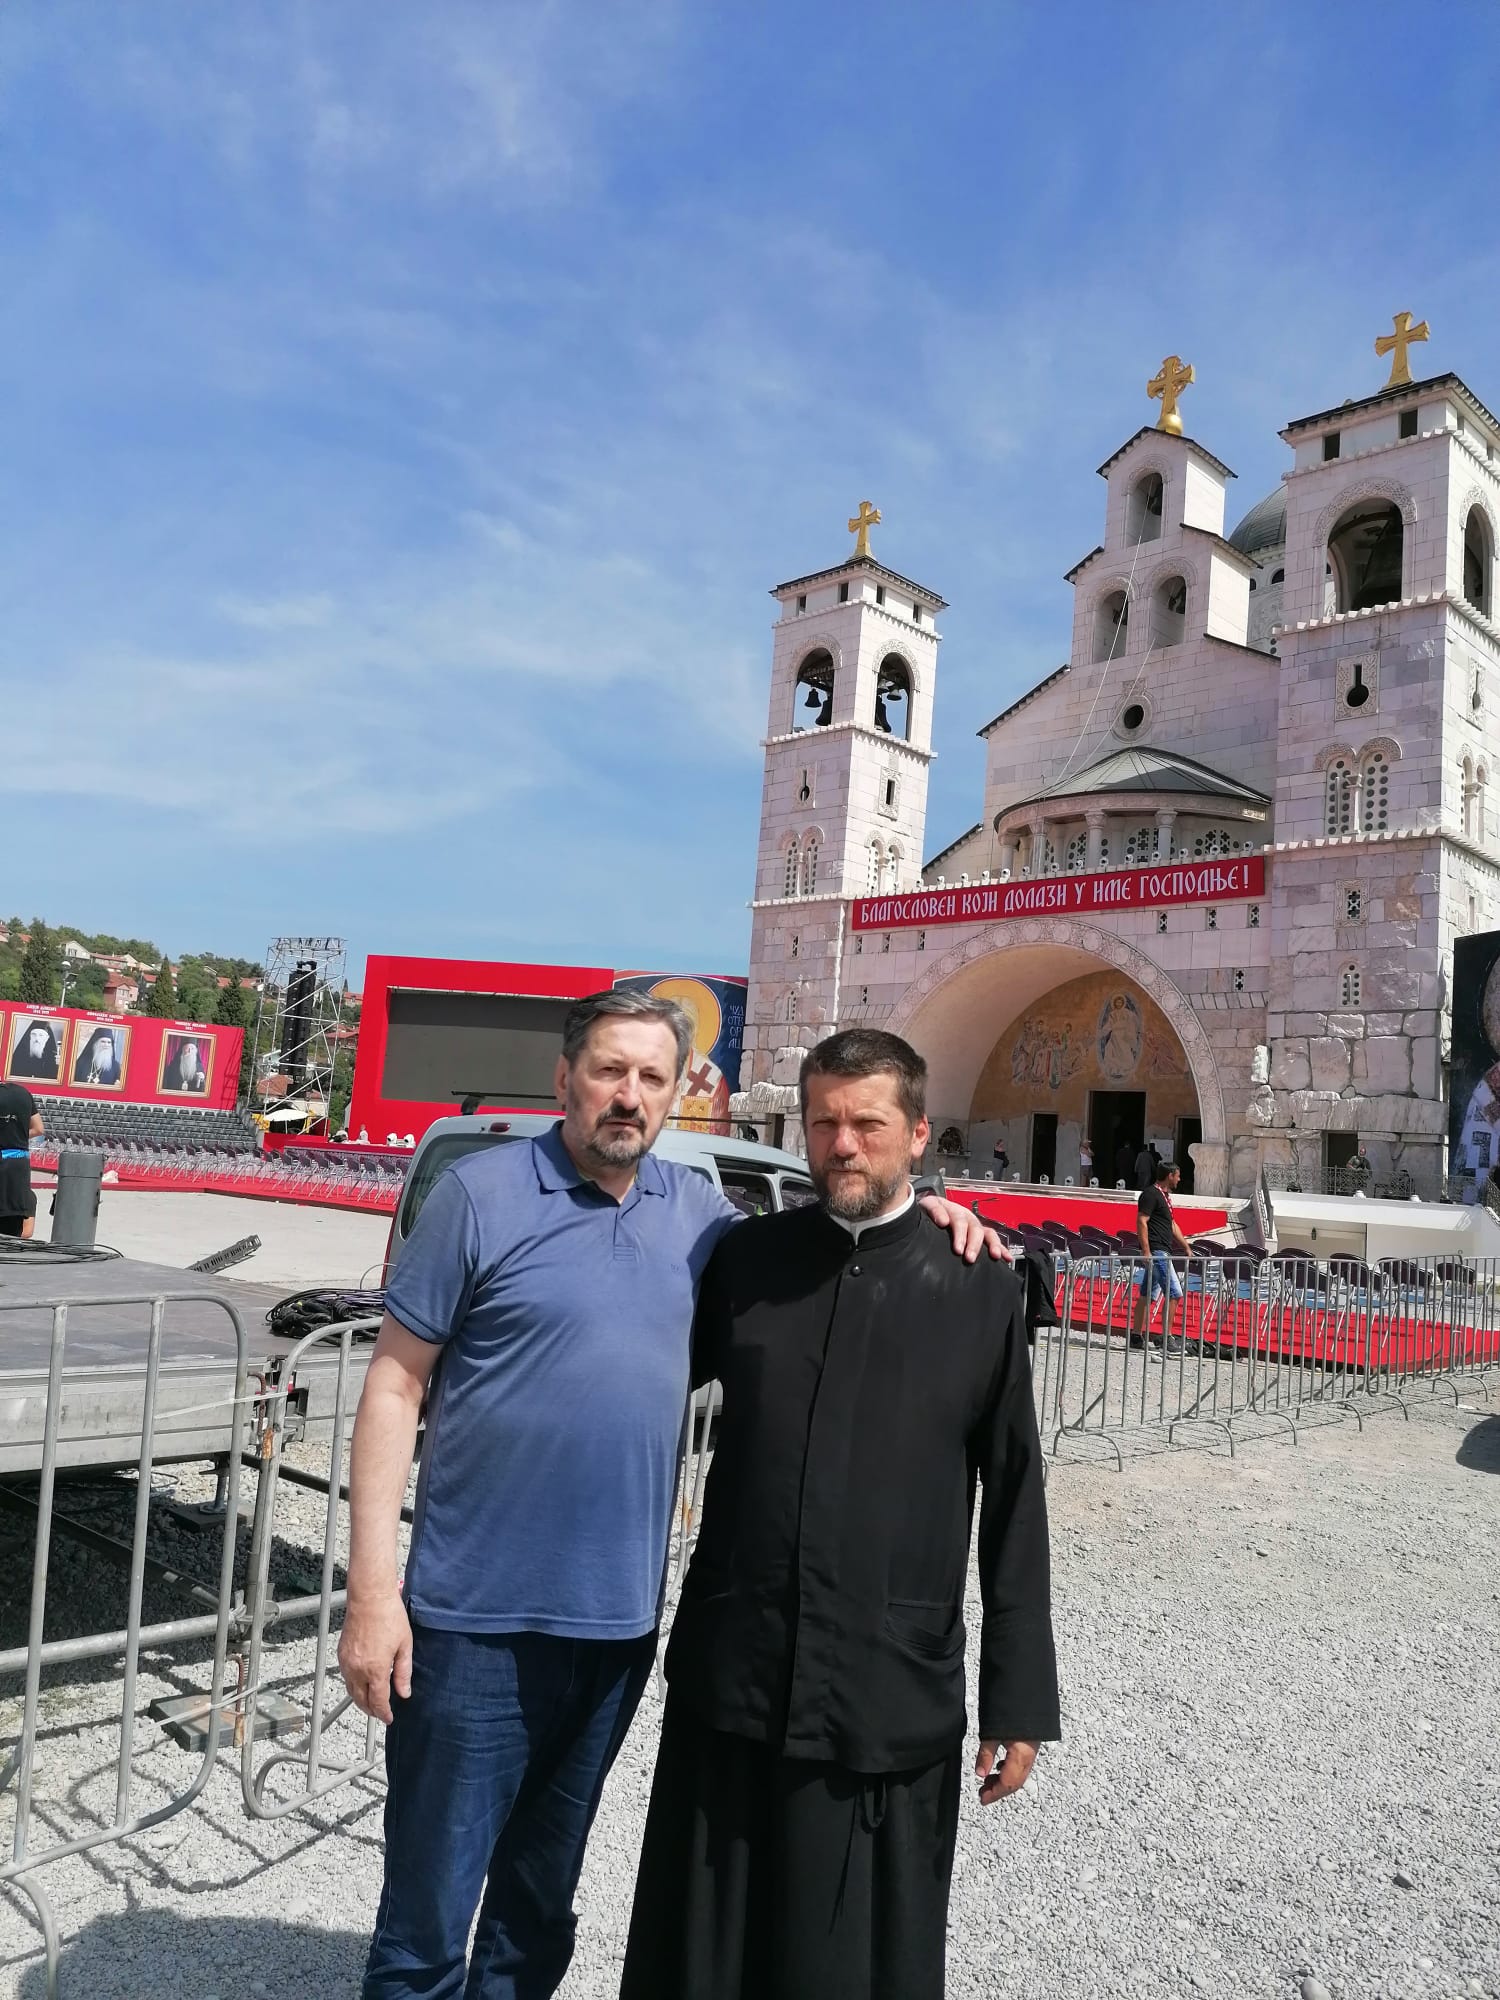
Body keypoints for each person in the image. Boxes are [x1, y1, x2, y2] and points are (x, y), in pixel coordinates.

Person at [337, 990, 1000, 2000]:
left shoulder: (700, 1222)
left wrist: (933, 1211)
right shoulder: (478, 1195)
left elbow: (831, 1244)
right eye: (609, 1069)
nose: (628, 1094)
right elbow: (394, 1385)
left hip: (613, 1634)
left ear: (676, 1092)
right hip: (471, 1625)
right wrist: (372, 1593)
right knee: (427, 1924)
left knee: (536, 1910)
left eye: (652, 1076)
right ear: (565, 1076)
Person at [621, 1029, 1060, 2000]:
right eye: (824, 1122)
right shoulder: (745, 1261)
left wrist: (1019, 1695)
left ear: (919, 1133)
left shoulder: (982, 1287)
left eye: (868, 1123)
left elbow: (1014, 1496)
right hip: (736, 1673)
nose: (843, 1144)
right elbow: (633, 1383)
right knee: (702, 1959)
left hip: (884, 1691)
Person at [1132, 1157, 1193, 1350]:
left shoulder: (1164, 1197)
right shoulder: (1151, 1194)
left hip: (1161, 1250)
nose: (1179, 1179)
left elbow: (1172, 1225)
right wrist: (1146, 1251)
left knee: (1147, 1295)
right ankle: (1166, 1337)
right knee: (1174, 1292)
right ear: (1170, 1176)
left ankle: (1136, 1336)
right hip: (1157, 1251)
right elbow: (1142, 1221)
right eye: (1178, 1176)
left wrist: (1186, 1247)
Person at [0, 1079, 43, 1239]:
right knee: (13, 1231)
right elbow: (38, 1129)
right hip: (19, 1168)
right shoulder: (23, 1093)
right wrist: (17, 1136)